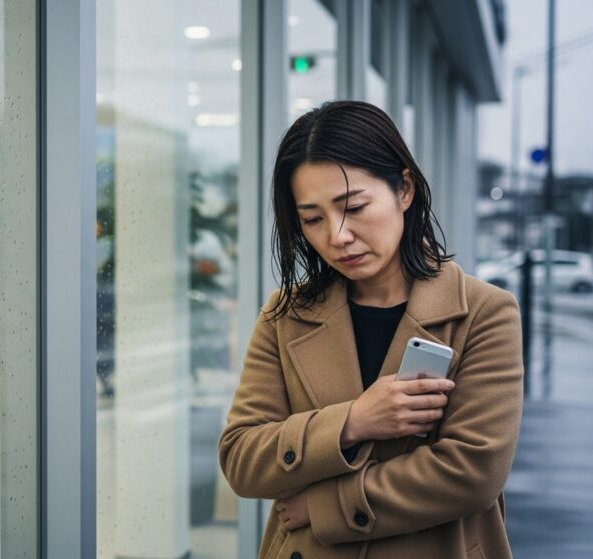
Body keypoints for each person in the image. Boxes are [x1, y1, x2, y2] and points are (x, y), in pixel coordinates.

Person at [218, 101, 523, 558]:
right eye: (313, 219)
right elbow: (243, 458)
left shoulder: (483, 313)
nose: (336, 236)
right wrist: (353, 421)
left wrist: (324, 507)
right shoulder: (286, 313)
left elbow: (472, 473)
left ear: (403, 189)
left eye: (354, 207)